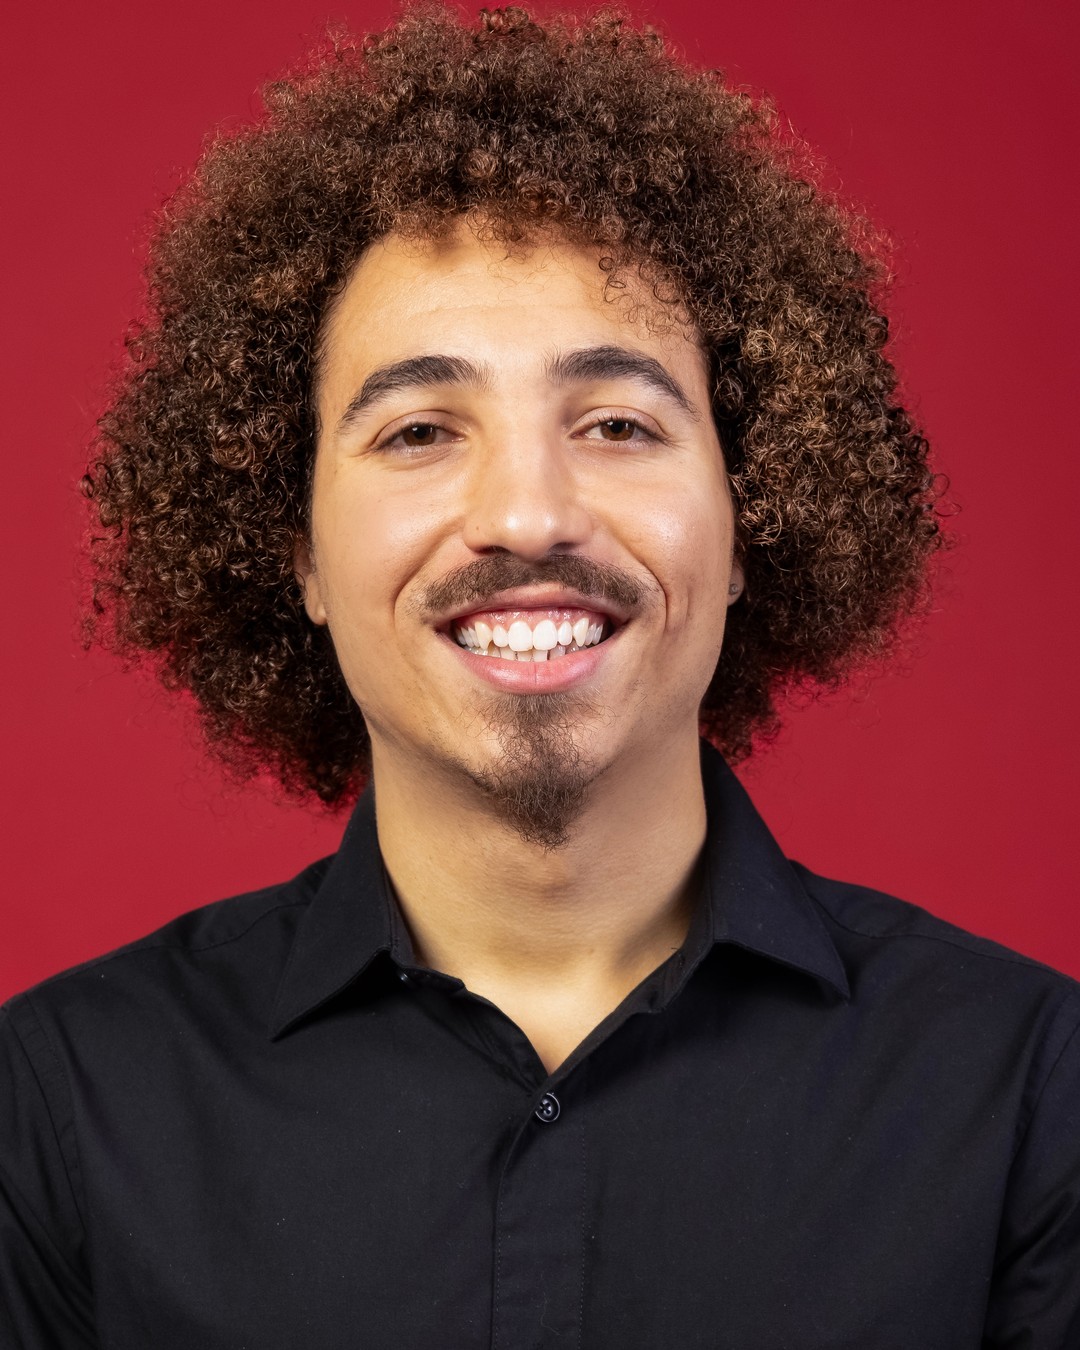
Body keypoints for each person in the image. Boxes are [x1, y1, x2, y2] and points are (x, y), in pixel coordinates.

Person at [2, 5, 1077, 1346]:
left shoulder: (1031, 1094)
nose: (527, 514)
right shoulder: (56, 1110)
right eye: (419, 431)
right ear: (300, 555)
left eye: (618, 423)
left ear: (752, 523)